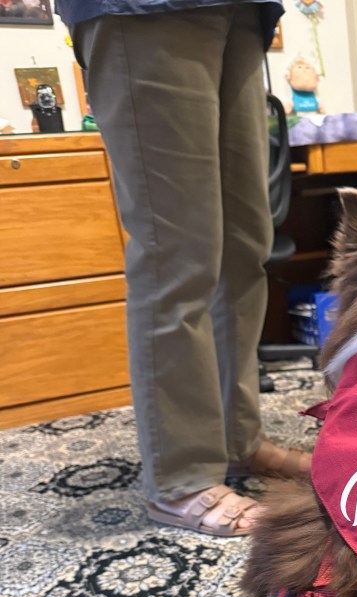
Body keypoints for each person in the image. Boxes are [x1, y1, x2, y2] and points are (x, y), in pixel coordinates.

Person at [55, 0, 312, 537]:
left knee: (244, 245)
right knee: (176, 250)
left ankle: (237, 441)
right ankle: (180, 476)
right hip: (142, 10)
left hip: (241, 11)